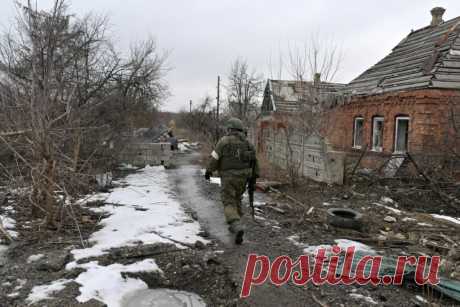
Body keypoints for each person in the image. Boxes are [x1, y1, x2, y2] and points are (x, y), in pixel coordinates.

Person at [205, 118, 259, 244]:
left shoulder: (224, 141)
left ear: (230, 129)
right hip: (243, 179)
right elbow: (255, 162)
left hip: (228, 177)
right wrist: (254, 178)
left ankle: (236, 225)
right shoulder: (248, 143)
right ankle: (236, 224)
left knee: (228, 202)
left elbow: (215, 158)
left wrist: (209, 171)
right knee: (237, 199)